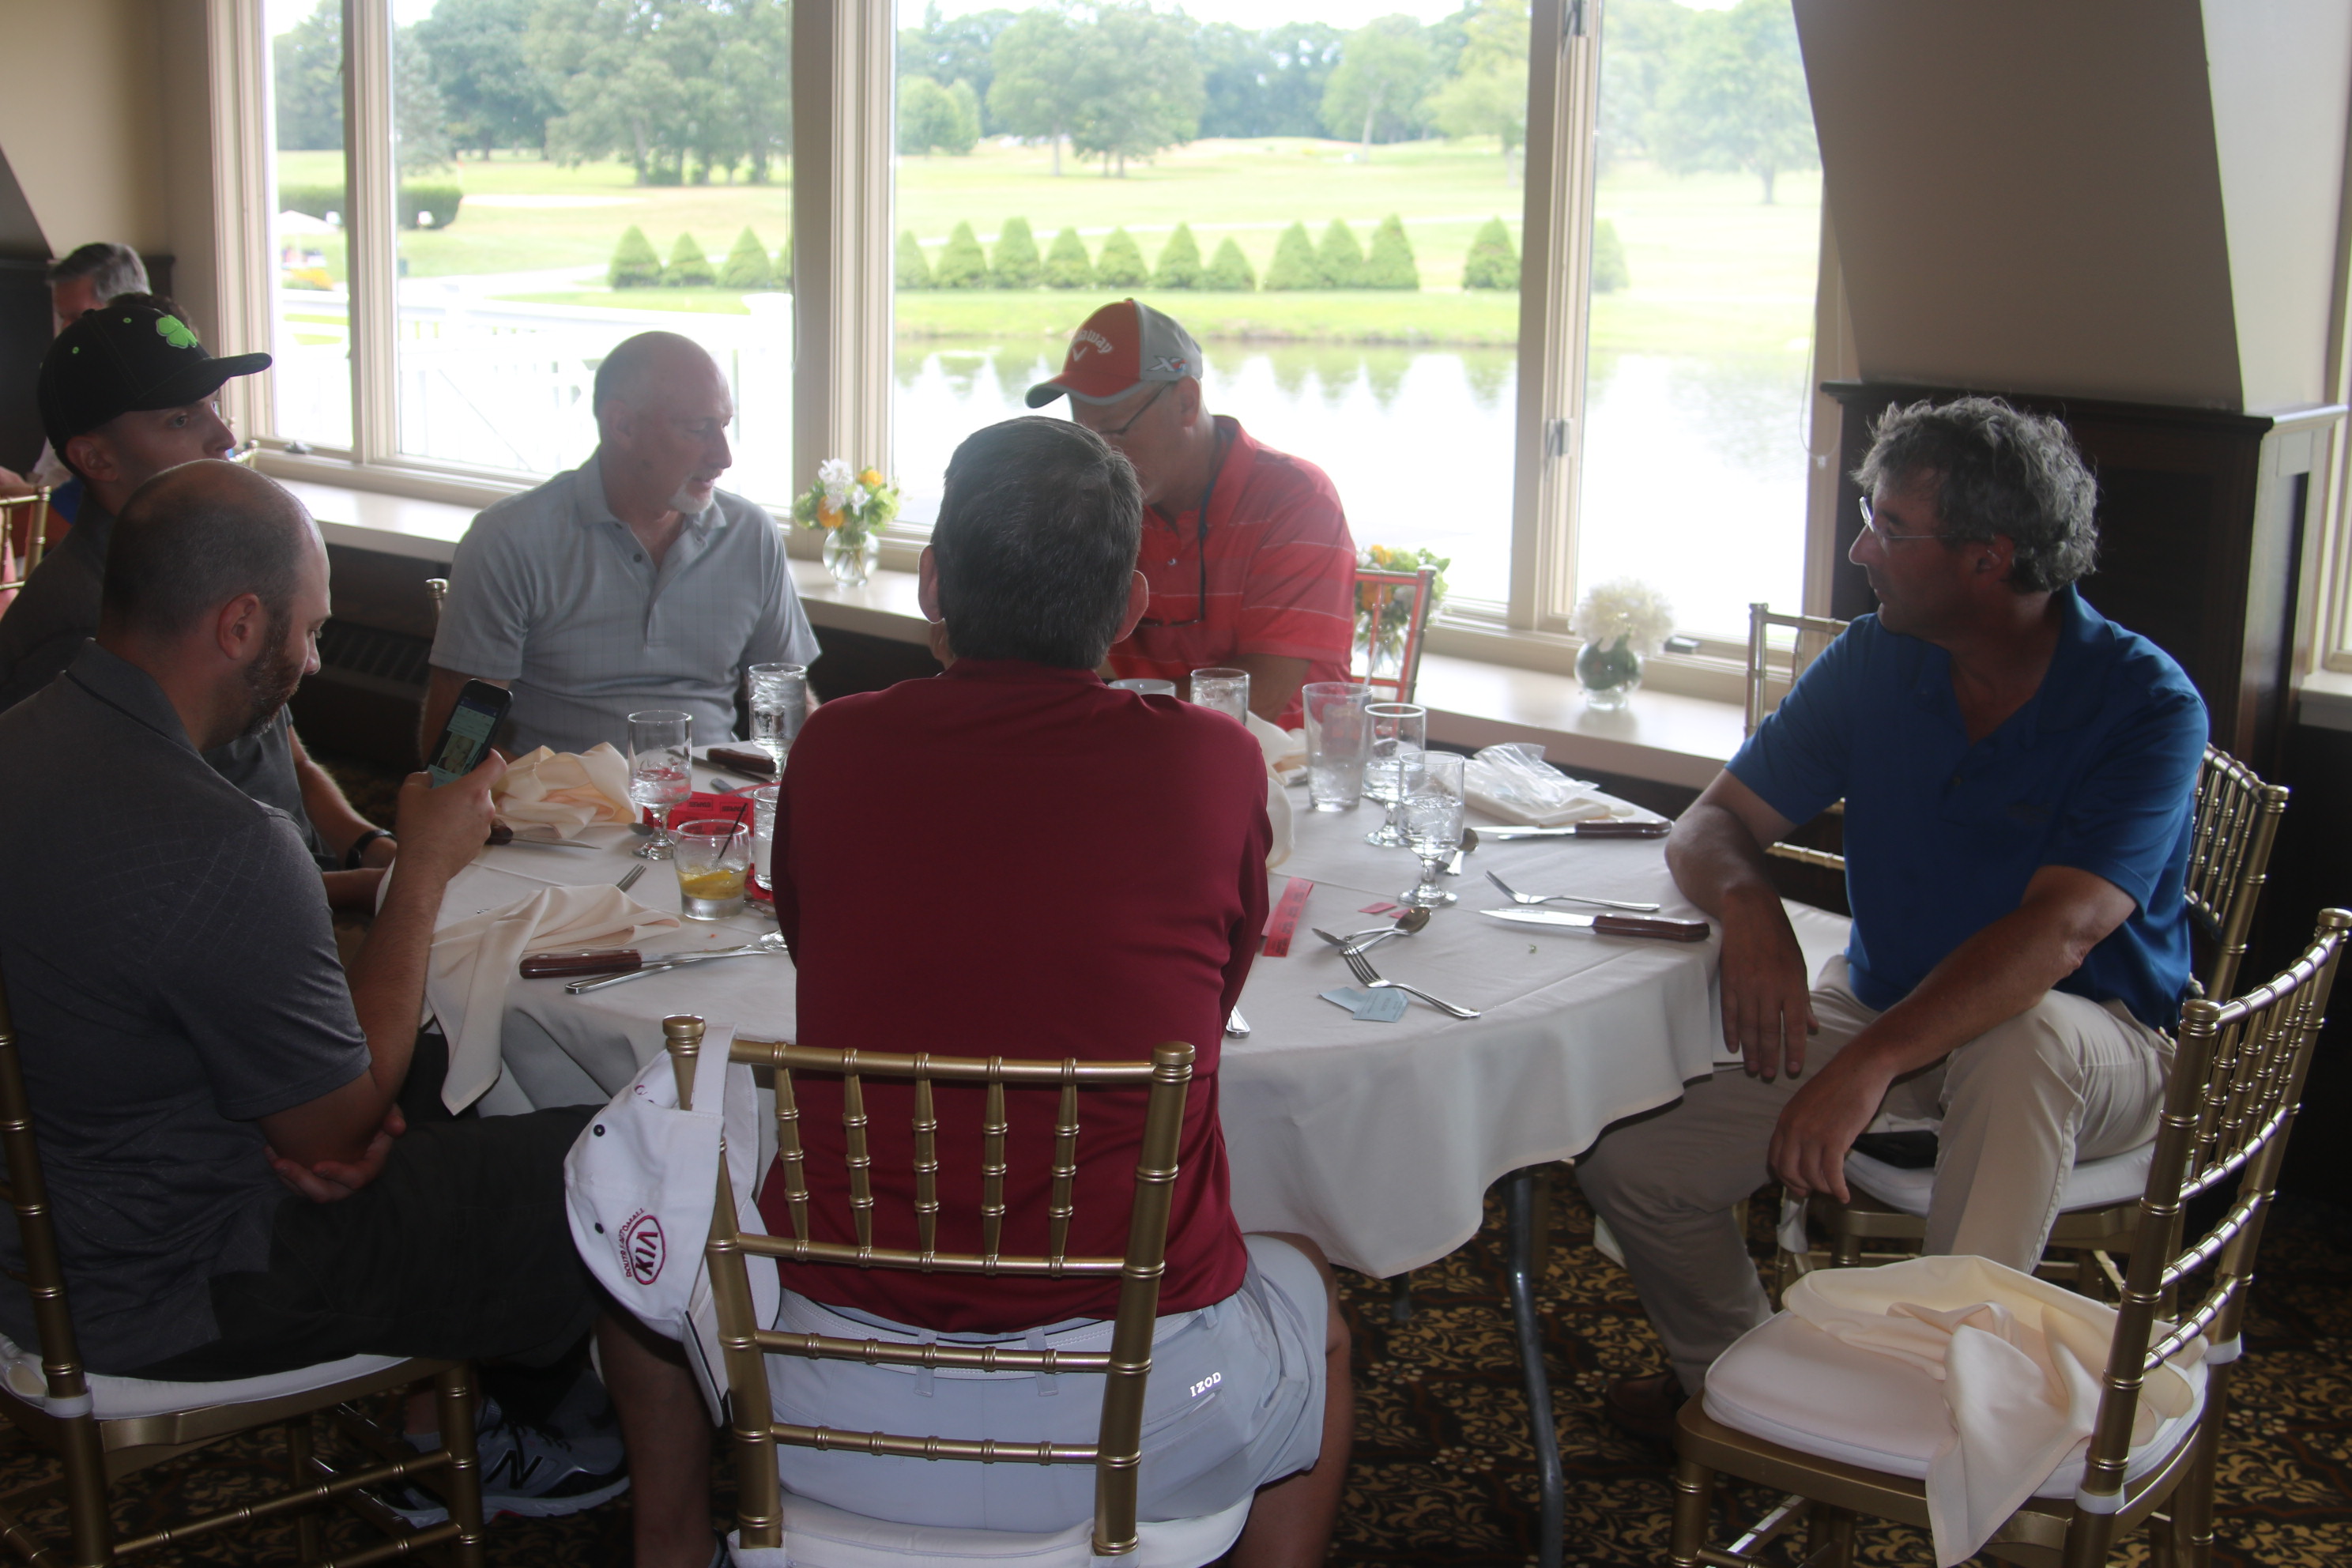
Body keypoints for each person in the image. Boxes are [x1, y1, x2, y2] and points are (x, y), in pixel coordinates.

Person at [0, 462, 716, 1568]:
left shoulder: (25, 742)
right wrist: (422, 864)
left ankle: (457, 1418)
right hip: (182, 1285)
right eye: (311, 630)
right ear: (242, 624)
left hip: (42, 1237)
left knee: (438, 1078)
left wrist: (332, 1114)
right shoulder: (222, 841)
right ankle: (676, 1539)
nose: (316, 659)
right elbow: (333, 1133)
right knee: (631, 1157)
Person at [753, 416, 1348, 1564]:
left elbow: (811, 943)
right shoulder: (1213, 762)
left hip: (829, 1393)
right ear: (1131, 606)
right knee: (1312, 1293)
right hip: (1142, 1413)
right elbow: (1212, 997)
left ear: (933, 583)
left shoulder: (832, 749)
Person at [1576, 397, 2207, 1438]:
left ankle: (1951, 1422)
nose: (1861, 550)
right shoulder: (1877, 658)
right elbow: (1710, 824)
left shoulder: (2144, 703)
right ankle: (1745, 1395)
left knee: (2023, 1041)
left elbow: (2060, 934)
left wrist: (1870, 1062)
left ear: (1987, 559)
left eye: (1890, 528)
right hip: (1887, 1012)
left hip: (2101, 1043)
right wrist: (1751, 906)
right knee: (1635, 1164)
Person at [0, 299, 394, 905]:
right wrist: (371, 892)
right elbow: (136, 873)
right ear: (96, 458)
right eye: (181, 419)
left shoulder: (211, 559)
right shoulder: (84, 630)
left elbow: (284, 756)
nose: (224, 436)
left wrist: (368, 845)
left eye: (213, 405)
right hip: (227, 917)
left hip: (302, 880)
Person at [424, 330, 820, 760]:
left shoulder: (751, 535)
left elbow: (788, 709)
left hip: (714, 798)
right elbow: (456, 747)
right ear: (623, 425)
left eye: (724, 425)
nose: (723, 457)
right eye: (698, 429)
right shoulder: (510, 539)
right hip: (561, 800)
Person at [1024, 300, 1356, 728]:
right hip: (1144, 745)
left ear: (1186, 401)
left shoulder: (1297, 499)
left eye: (1114, 430)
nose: (1100, 455)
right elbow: (1049, 649)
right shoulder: (1095, 498)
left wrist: (1087, 710)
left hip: (1286, 760)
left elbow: (1260, 697)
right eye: (1083, 433)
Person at [0, 241, 150, 504]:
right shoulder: (78, 383)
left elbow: (87, 513)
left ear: (125, 308)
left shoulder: (141, 399)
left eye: (78, 317)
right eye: (63, 318)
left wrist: (18, 492)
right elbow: (51, 486)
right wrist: (20, 488)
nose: (65, 331)